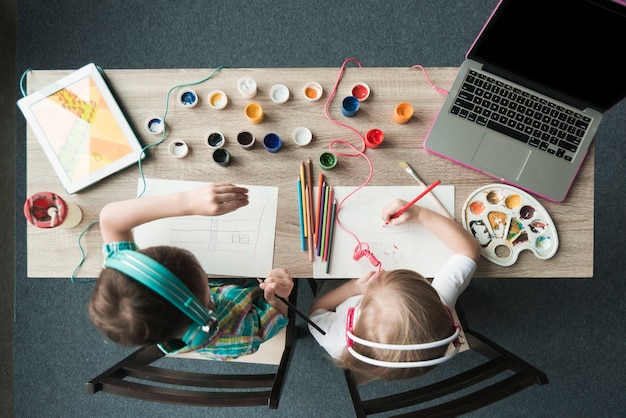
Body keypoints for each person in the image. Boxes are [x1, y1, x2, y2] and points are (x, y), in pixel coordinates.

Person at [88, 183, 295, 360]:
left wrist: (188, 201)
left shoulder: (124, 275)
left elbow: (110, 218)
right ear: (202, 307)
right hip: (254, 292)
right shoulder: (236, 337)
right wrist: (278, 298)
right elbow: (269, 323)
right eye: (204, 276)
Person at [308, 200, 481, 381]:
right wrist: (420, 214)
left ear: (354, 315)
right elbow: (468, 251)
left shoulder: (335, 339)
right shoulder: (435, 308)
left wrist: (351, 287)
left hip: (336, 290)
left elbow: (315, 313)